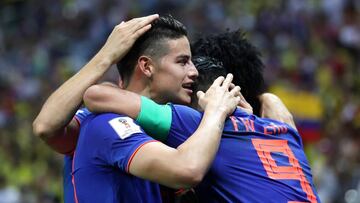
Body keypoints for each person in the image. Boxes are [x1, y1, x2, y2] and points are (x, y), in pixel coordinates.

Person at [33, 15, 243, 202]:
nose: (194, 71)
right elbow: (46, 126)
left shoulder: (174, 130)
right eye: (183, 62)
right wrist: (106, 56)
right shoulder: (101, 121)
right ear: (147, 66)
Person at [84, 56, 320, 202]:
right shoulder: (284, 131)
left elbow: (98, 96)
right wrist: (269, 99)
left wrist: (213, 112)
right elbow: (278, 110)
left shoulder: (193, 120)